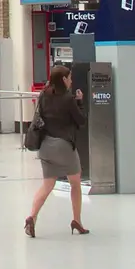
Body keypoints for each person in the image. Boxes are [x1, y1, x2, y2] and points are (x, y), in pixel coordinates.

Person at [24, 64, 88, 237]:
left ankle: (32, 217)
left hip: (45, 145)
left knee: (47, 185)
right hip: (63, 146)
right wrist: (80, 102)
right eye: (70, 77)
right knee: (75, 182)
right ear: (64, 79)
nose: (72, 80)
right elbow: (81, 120)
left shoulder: (43, 95)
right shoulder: (68, 99)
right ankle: (77, 220)